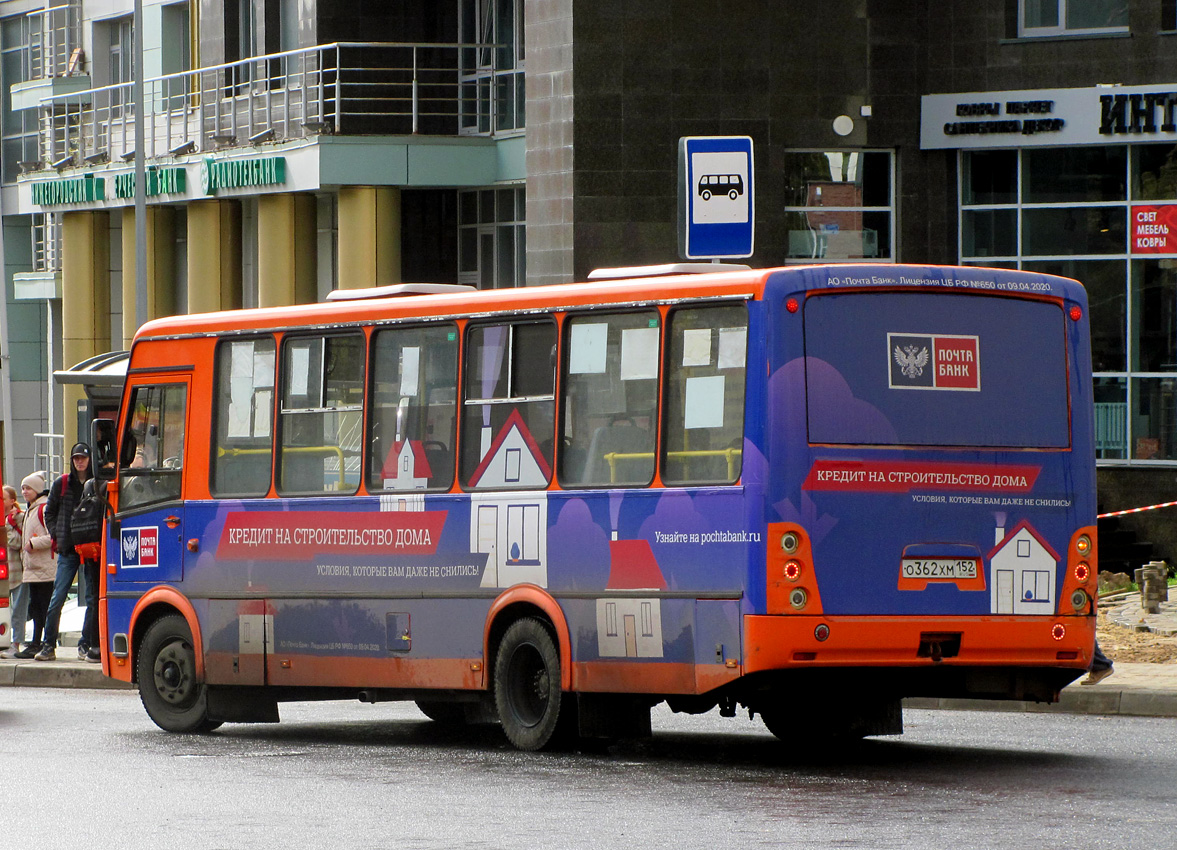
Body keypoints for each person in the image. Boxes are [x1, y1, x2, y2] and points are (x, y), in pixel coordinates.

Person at [37, 443, 94, 662]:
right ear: (72, 460)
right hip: (68, 549)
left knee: (91, 599)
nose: (79, 461)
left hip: (90, 549)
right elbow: (48, 512)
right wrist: (56, 535)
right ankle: (48, 645)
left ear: (89, 460)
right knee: (58, 597)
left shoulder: (95, 483)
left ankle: (86, 644)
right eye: (76, 458)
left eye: (83, 458)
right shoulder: (62, 484)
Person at [13, 473, 53, 660]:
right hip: (34, 569)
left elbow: (52, 537)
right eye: (23, 488)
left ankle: (40, 642)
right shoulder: (30, 510)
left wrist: (33, 544)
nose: (24, 492)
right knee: (36, 607)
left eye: (28, 488)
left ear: (36, 490)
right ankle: (38, 641)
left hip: (44, 569)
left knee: (41, 607)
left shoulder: (43, 509)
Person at [0, 485, 26, 659]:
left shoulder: (18, 518)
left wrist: (7, 528)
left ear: (11, 501)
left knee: (18, 609)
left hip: (18, 570)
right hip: (5, 571)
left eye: (3, 498)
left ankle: (16, 643)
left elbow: (17, 543)